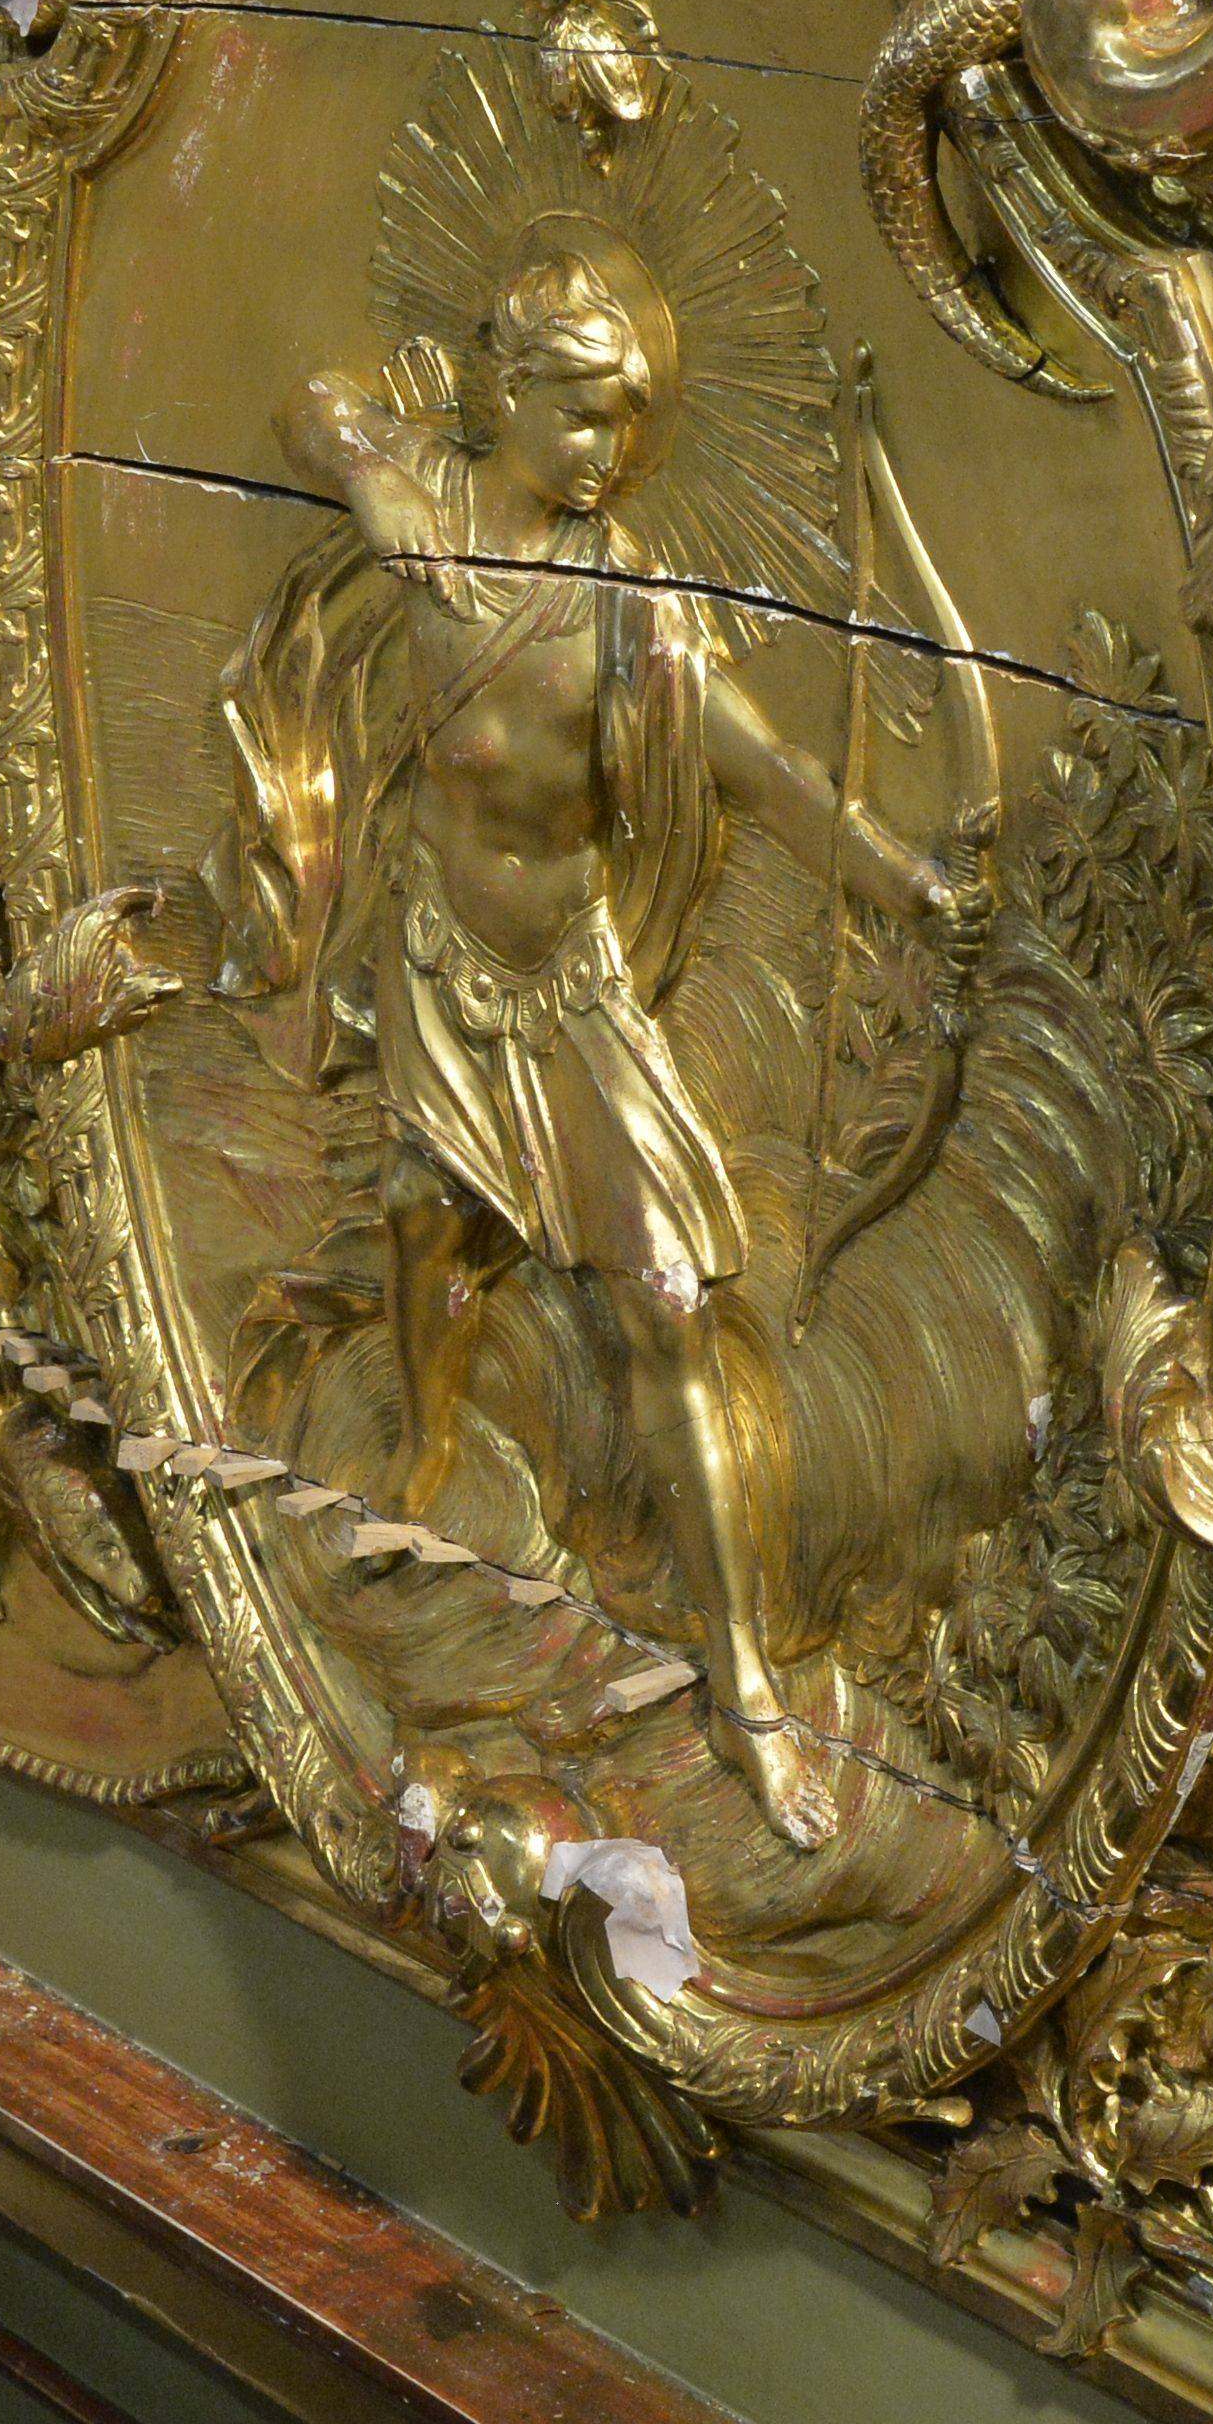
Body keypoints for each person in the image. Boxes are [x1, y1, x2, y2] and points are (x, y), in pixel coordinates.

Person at [279, 215, 949, 1850]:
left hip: (567, 986)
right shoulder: (428, 523)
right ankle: (430, 1459)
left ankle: (749, 1686)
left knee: (665, 1310)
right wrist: (379, 457)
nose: (609, 452)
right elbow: (315, 401)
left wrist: (903, 877)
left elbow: (769, 773)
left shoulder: (632, 601)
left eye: (632, 422)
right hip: (438, 960)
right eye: (580, 412)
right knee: (425, 1239)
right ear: (507, 394)